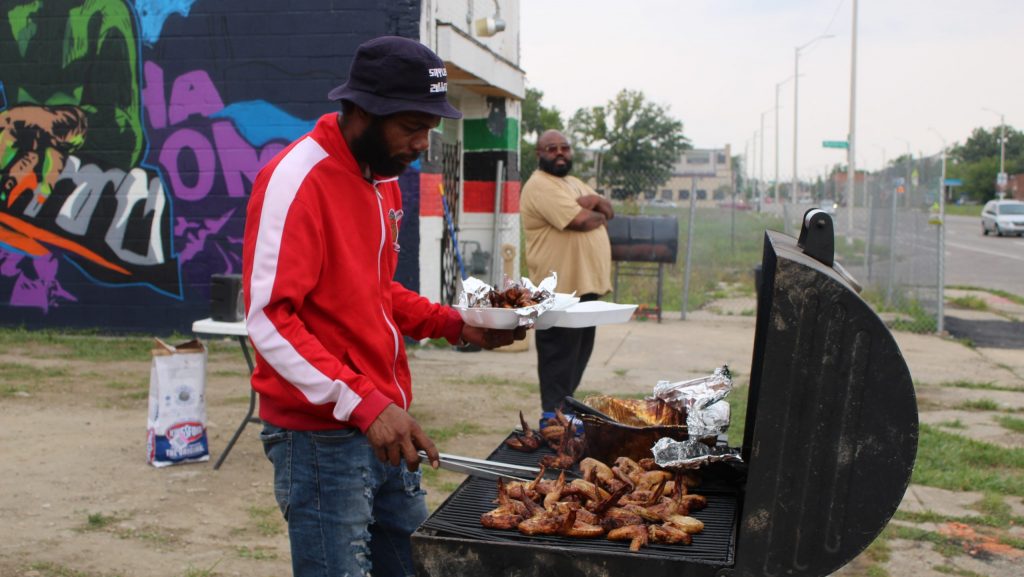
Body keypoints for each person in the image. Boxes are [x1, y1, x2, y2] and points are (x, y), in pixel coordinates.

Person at [242, 36, 524, 577]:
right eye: (410, 126)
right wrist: (365, 404)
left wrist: (456, 324)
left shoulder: (383, 178)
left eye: (429, 128)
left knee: (415, 566)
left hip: (383, 419)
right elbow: (269, 319)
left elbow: (373, 291)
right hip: (320, 437)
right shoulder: (296, 180)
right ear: (362, 111)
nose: (422, 142)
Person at [520, 129, 614, 428]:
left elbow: (607, 210)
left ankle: (564, 413)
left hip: (585, 286)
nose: (559, 153)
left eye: (564, 147)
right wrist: (591, 207)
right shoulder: (540, 185)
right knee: (558, 355)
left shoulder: (572, 183)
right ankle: (553, 418)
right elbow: (582, 221)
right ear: (539, 154)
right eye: (551, 148)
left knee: (577, 355)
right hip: (558, 291)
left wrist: (593, 201)